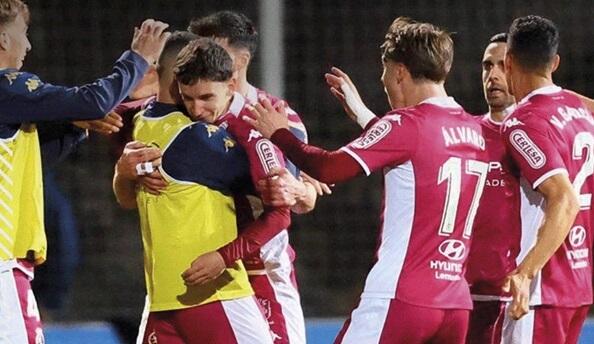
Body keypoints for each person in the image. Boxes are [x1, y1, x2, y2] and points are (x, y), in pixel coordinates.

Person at [247, 17, 489, 343]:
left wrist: (279, 133)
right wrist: (363, 114)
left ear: (400, 72)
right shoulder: (473, 130)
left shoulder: (407, 125)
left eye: (385, 71)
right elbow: (416, 153)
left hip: (402, 296)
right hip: (454, 304)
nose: (384, 81)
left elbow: (328, 168)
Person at [0, 0, 169, 341]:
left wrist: (81, 123)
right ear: (3, 39)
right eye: (24, 33)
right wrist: (136, 59)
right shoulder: (6, 86)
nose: (28, 45)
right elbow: (91, 100)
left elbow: (32, 156)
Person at [113, 32, 272, 343]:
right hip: (215, 295)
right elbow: (270, 192)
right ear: (182, 80)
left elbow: (127, 201)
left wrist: (122, 173)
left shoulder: (142, 125)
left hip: (162, 302)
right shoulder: (197, 139)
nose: (199, 107)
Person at [187, 11, 320, 343]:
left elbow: (299, 197)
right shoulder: (189, 108)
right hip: (199, 262)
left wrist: (299, 190)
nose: (205, 59)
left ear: (241, 60)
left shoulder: (275, 117)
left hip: (259, 265)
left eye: (214, 50)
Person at [499, 15, 591, 343]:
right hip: (579, 282)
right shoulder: (580, 111)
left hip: (543, 286)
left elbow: (563, 198)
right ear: (554, 63)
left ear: (508, 62)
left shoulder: (521, 122)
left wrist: (525, 272)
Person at [464, 32, 519, 344]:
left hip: (514, 294)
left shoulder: (541, 131)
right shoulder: (465, 131)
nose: (493, 75)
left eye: (503, 65)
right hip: (461, 292)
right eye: (487, 66)